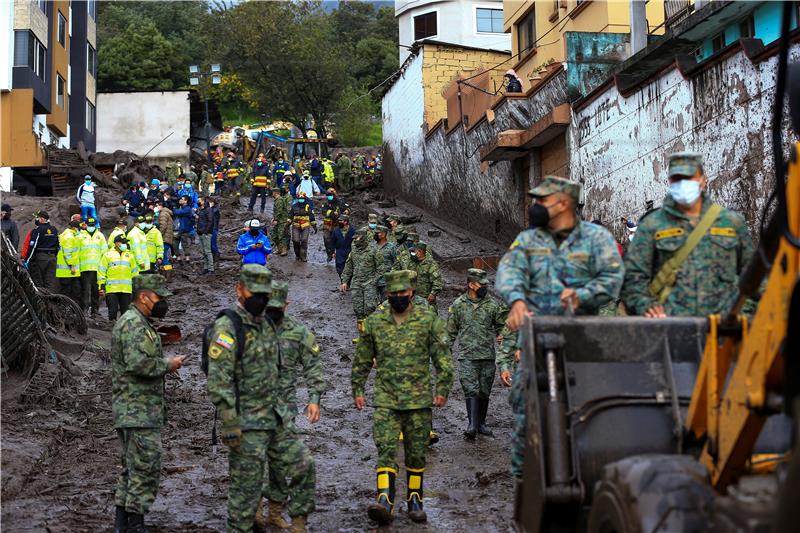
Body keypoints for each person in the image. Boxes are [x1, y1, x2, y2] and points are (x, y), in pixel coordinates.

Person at [495, 175, 624, 483]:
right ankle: (526, 492)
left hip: (582, 343)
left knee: (587, 415)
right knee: (527, 415)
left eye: (542, 200)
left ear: (564, 203)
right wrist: (516, 301)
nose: (535, 206)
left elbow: (612, 279)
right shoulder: (528, 240)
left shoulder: (595, 239)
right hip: (537, 342)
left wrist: (583, 294)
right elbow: (509, 272)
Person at [206, 265, 314, 532]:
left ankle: (298, 523)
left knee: (304, 465)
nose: (261, 299)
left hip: (275, 419)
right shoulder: (228, 327)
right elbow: (218, 380)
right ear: (240, 290)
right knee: (245, 497)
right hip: (247, 425)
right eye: (255, 293)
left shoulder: (266, 324)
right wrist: (230, 422)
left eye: (265, 294)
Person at [351, 270, 453, 525]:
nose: (398, 297)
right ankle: (385, 497)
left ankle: (415, 499)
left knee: (416, 452)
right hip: (386, 398)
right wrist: (358, 388)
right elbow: (362, 358)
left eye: (402, 293)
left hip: (418, 401)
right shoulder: (374, 322)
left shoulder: (428, 320)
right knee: (385, 447)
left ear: (411, 293)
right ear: (387, 294)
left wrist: (442, 389)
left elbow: (442, 359)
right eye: (393, 293)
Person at [621, 151, 755, 317]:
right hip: (671, 328)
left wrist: (744, 312)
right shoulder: (651, 225)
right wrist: (645, 305)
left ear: (702, 181)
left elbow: (754, 275)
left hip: (723, 329)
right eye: (677, 179)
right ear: (670, 181)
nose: (683, 184)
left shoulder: (731, 222)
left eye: (689, 177)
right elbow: (632, 277)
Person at [111, 274, 185, 533]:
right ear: (144, 297)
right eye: (159, 297)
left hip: (136, 410)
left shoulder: (137, 322)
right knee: (145, 466)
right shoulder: (133, 325)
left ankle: (123, 522)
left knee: (132, 468)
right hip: (137, 411)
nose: (162, 303)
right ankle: (135, 524)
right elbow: (138, 364)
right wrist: (169, 364)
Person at [258, 281, 325, 531]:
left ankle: (290, 518)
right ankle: (257, 511)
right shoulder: (250, 329)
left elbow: (313, 367)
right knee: (254, 465)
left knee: (292, 463)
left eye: (278, 307)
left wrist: (314, 399)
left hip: (284, 414)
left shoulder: (298, 332)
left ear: (287, 304)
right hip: (251, 415)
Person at [447, 269, 507, 439]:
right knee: (470, 388)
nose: (485, 287)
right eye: (482, 284)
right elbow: (450, 333)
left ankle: (481, 423)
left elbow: (502, 327)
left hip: (487, 355)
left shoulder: (493, 305)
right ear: (471, 285)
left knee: (485, 390)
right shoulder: (458, 305)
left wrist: (502, 336)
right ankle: (471, 424)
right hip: (467, 355)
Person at [340, 228, 385, 334]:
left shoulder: (374, 250)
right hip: (356, 283)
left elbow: (381, 268)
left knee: (370, 308)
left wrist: (374, 281)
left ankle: (372, 333)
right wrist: (344, 281)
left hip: (370, 283)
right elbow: (349, 265)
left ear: (363, 238)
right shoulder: (354, 250)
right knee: (358, 309)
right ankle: (362, 335)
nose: (355, 240)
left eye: (357, 238)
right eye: (354, 239)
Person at [99, 236, 139, 320]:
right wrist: (101, 286)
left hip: (126, 289)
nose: (125, 244)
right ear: (116, 243)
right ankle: (111, 330)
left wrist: (136, 286)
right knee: (112, 311)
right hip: (112, 289)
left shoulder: (130, 255)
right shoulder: (108, 255)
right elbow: (101, 271)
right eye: (123, 242)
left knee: (125, 313)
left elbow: (135, 272)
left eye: (125, 242)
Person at [78, 217, 108, 316]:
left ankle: (95, 310)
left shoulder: (100, 236)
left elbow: (105, 252)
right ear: (85, 225)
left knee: (96, 290)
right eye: (89, 225)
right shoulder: (80, 236)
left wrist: (104, 267)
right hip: (84, 268)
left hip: (97, 268)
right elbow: (76, 252)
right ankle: (84, 310)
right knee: (85, 290)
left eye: (92, 225)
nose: (91, 227)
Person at [23, 211, 60, 290]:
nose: (36, 219)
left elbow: (33, 246)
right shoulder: (54, 229)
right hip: (52, 258)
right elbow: (58, 245)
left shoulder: (38, 230)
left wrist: (27, 260)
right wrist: (53, 255)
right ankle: (49, 300)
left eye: (37, 218)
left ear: (41, 219)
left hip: (41, 258)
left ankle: (41, 301)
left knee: (39, 281)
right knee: (50, 282)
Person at [409, 242, 443, 313]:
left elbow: (437, 281)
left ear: (419, 251)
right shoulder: (412, 263)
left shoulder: (431, 264)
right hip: (413, 298)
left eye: (414, 251)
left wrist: (433, 293)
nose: (413, 254)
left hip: (426, 298)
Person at [56, 219, 82, 303]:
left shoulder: (66, 235)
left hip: (66, 271)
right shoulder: (69, 237)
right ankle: (67, 311)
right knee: (69, 292)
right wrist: (72, 265)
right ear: (75, 228)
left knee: (68, 292)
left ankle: (66, 310)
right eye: (78, 229)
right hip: (68, 270)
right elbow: (67, 253)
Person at [321, 188, 348, 262]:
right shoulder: (325, 203)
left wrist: (346, 211)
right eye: (328, 195)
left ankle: (340, 256)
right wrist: (332, 213)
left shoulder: (340, 202)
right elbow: (324, 212)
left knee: (339, 241)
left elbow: (347, 209)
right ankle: (329, 255)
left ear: (334, 195)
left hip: (337, 225)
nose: (329, 197)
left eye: (330, 195)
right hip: (327, 225)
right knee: (327, 240)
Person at [290, 192, 316, 262]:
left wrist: (314, 226)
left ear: (305, 199)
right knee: (296, 240)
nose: (301, 200)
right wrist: (287, 225)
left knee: (304, 240)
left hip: (306, 225)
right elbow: (290, 216)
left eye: (302, 199)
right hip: (296, 225)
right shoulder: (294, 206)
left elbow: (312, 216)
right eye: (300, 199)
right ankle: (297, 255)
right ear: (298, 199)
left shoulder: (308, 206)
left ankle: (303, 256)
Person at [172, 195, 195, 266]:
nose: (181, 200)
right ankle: (179, 258)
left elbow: (178, 213)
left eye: (182, 199)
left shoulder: (187, 209)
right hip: (180, 228)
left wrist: (174, 208)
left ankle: (187, 259)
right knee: (175, 243)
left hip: (184, 229)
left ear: (186, 201)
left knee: (184, 244)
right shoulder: (182, 208)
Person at [374, 225, 396, 298]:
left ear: (383, 234)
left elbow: (397, 263)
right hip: (373, 281)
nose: (375, 234)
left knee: (386, 304)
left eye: (378, 233)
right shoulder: (372, 246)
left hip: (386, 282)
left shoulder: (391, 247)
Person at [270, 187, 291, 256]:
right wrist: (274, 218)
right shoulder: (277, 200)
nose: (272, 194)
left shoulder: (280, 200)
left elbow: (279, 211)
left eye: (273, 192)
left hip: (282, 221)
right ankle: (279, 249)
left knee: (281, 236)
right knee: (275, 235)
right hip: (278, 220)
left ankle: (284, 250)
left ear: (276, 193)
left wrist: (275, 219)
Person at [196, 197, 215, 274]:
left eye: (199, 201)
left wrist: (206, 231)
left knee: (207, 251)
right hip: (201, 232)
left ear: (203, 201)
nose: (198, 202)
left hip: (206, 233)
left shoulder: (208, 210)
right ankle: (205, 267)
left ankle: (211, 268)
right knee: (203, 251)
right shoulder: (201, 210)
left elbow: (210, 221)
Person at [332, 214, 355, 278]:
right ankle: (343, 281)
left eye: (341, 221)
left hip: (350, 251)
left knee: (350, 267)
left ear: (346, 222)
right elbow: (332, 242)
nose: (339, 222)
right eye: (339, 220)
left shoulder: (352, 230)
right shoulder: (336, 230)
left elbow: (355, 242)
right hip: (339, 250)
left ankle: (348, 283)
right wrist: (333, 252)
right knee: (339, 267)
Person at [155, 202, 174, 270]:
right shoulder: (167, 213)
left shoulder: (163, 214)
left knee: (163, 256)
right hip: (167, 238)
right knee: (164, 256)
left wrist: (158, 235)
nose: (156, 207)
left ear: (161, 206)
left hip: (164, 238)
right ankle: (166, 274)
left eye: (157, 205)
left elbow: (163, 226)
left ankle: (168, 273)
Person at [209, 197, 221, 264]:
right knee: (210, 244)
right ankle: (213, 257)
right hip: (209, 228)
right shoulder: (211, 209)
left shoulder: (215, 209)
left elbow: (211, 214)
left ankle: (216, 256)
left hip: (213, 228)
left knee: (213, 244)